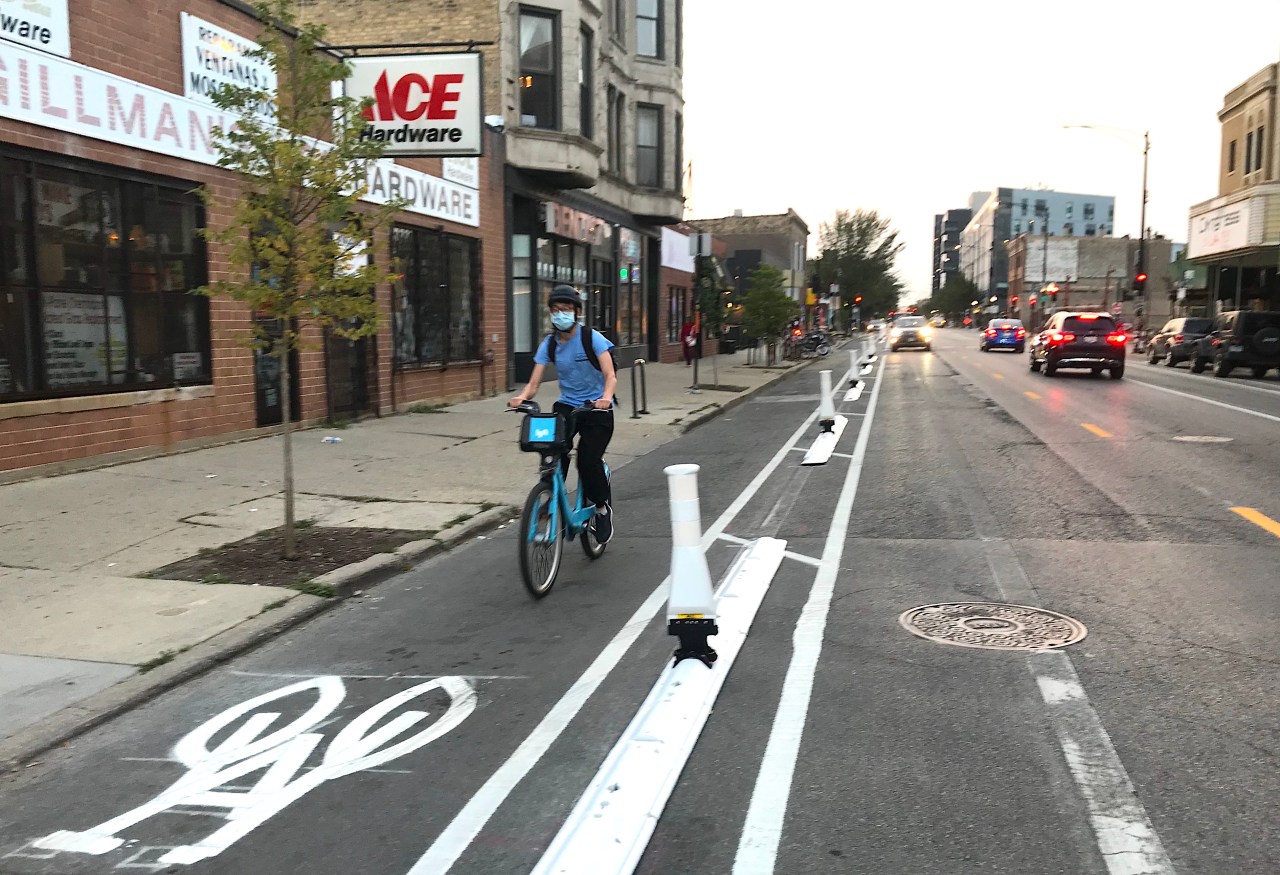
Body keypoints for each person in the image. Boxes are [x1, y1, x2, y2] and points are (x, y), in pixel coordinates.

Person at [509, 285, 618, 543]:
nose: (560, 315)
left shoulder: (592, 338)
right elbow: (533, 384)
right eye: (556, 310)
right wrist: (522, 397)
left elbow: (610, 375)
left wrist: (605, 398)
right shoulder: (549, 344)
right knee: (553, 453)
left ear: (576, 312)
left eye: (566, 310)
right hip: (568, 406)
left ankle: (601, 510)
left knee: (587, 461)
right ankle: (549, 497)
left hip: (596, 408)